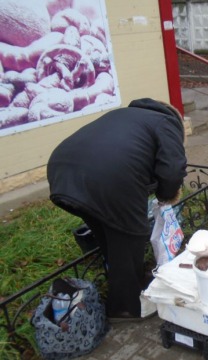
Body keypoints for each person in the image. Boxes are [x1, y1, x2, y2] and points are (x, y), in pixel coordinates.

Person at [47, 98, 187, 321]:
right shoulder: (166, 122)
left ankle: (117, 280)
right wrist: (166, 195)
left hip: (61, 171)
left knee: (110, 233)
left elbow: (128, 151)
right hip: (108, 177)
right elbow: (172, 169)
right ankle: (126, 309)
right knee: (132, 236)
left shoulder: (123, 115)